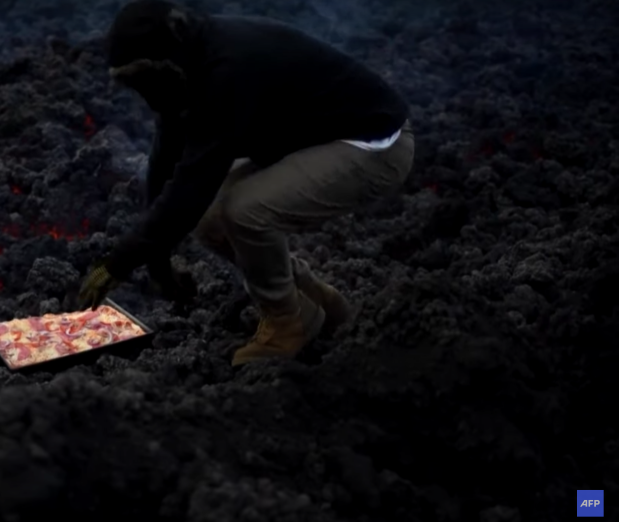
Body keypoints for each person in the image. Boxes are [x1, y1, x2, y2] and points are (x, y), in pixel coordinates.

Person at [79, 0, 415, 366]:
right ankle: (316, 301)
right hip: (313, 138)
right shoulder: (187, 67)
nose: (145, 95)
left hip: (374, 145)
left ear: (165, 60)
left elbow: (193, 183)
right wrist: (156, 263)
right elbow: (168, 162)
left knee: (246, 211)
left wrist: (118, 263)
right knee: (212, 218)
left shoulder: (226, 70)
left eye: (144, 79)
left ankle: (288, 321)